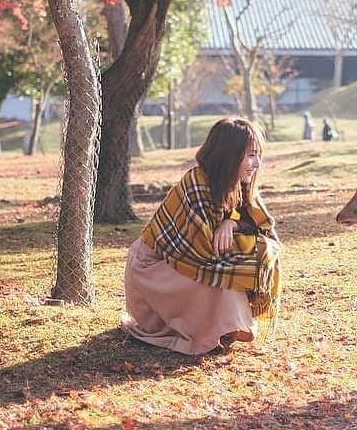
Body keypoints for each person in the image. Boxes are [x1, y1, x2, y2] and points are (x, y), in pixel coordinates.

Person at [121, 117, 282, 356]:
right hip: (153, 269)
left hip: (187, 264)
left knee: (259, 252)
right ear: (229, 155)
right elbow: (204, 254)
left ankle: (226, 324)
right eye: (250, 155)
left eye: (258, 155)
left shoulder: (237, 183)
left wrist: (231, 223)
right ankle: (215, 327)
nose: (256, 163)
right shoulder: (196, 184)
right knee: (227, 272)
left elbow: (263, 227)